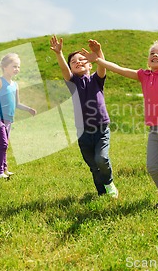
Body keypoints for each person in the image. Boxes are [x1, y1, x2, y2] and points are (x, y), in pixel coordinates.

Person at [81, 14, 158, 206]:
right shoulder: (143, 75)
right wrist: (98, 60)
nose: (155, 54)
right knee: (152, 167)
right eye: (152, 52)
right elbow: (118, 68)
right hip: (154, 129)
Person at [49, 35, 118, 198]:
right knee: (93, 165)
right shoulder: (72, 83)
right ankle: (102, 194)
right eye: (73, 62)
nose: (78, 62)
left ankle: (109, 183)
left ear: (90, 64)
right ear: (71, 68)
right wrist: (59, 54)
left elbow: (102, 67)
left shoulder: (96, 79)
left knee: (101, 159)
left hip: (101, 129)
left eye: (82, 59)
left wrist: (99, 53)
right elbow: (64, 71)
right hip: (83, 132)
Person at [0, 53, 36, 179]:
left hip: (8, 119)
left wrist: (29, 109)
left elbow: (17, 103)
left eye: (18, 67)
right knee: (3, 144)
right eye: (14, 66)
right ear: (4, 67)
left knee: (5, 144)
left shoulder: (15, 85)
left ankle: (5, 168)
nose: (17, 69)